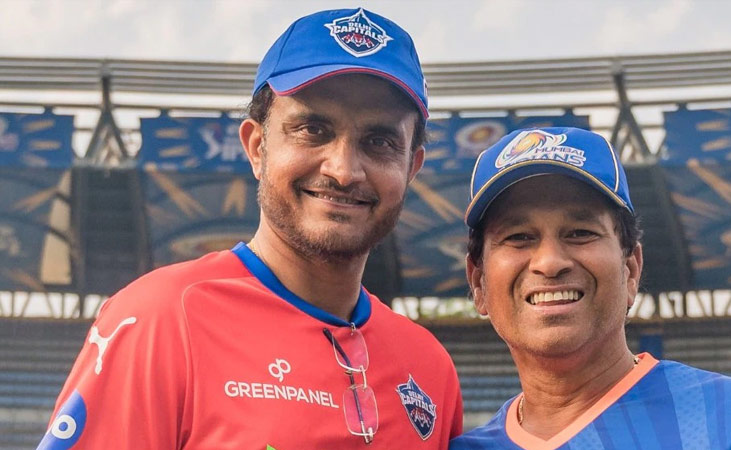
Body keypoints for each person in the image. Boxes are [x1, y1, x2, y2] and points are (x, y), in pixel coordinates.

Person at [39, 7, 463, 449]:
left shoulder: (430, 368)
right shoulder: (161, 318)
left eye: (379, 141)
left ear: (411, 167)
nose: (343, 169)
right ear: (257, 147)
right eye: (313, 129)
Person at [450, 127, 731, 449]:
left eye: (580, 232)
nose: (550, 262)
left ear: (631, 268)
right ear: (478, 282)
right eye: (519, 237)